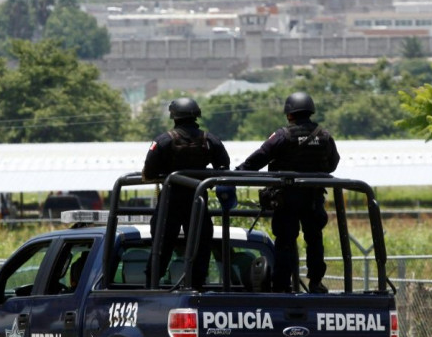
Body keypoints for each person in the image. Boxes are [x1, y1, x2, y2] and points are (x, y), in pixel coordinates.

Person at [237, 92, 340, 294]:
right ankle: (316, 283)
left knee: (285, 241)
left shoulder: (283, 135)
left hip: (287, 198)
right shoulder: (325, 136)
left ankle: (283, 285)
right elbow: (333, 164)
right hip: (313, 198)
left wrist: (238, 173)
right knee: (314, 239)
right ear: (310, 111)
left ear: (289, 114)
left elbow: (260, 156)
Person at [142, 97, 230, 289]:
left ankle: (152, 288)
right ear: (196, 115)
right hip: (197, 202)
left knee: (160, 248)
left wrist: (167, 174)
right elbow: (223, 169)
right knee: (200, 247)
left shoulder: (163, 141)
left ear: (174, 116)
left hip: (169, 203)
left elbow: (148, 173)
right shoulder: (210, 140)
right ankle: (196, 288)